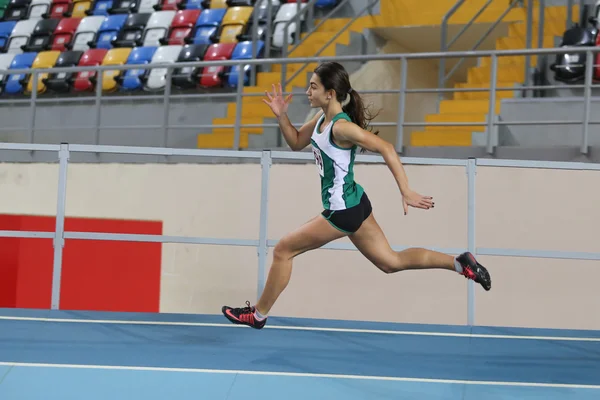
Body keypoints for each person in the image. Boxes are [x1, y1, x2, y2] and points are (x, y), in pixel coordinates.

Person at [221, 61, 491, 329]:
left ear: (330, 94)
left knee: (283, 250)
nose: (307, 91)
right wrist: (281, 115)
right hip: (355, 202)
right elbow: (295, 142)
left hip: (342, 212)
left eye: (313, 87)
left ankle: (258, 314)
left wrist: (405, 190)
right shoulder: (320, 121)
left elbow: (385, 147)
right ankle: (459, 263)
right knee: (391, 262)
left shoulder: (341, 127)